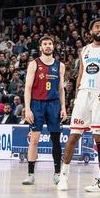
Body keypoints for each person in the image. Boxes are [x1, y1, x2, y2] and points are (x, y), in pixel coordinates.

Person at [57, 18, 100, 192]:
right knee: (73, 135)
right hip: (84, 94)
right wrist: (77, 95)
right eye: (97, 27)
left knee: (99, 136)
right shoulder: (84, 50)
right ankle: (63, 177)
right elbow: (80, 74)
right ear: (90, 31)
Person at [22, 34, 66, 186]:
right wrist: (28, 109)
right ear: (41, 47)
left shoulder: (60, 66)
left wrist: (63, 108)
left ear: (53, 46)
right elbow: (27, 88)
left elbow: (61, 89)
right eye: (45, 44)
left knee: (56, 140)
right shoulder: (34, 64)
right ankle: (30, 174)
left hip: (54, 104)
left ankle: (57, 174)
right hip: (37, 104)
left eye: (50, 44)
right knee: (34, 139)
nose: (48, 46)